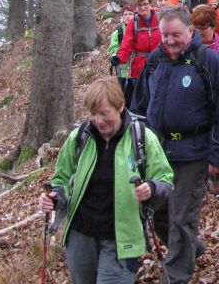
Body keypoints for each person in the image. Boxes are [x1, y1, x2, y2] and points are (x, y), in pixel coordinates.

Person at [130, 7, 219, 284]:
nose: (169, 41)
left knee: (181, 217)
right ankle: (192, 247)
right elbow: (138, 108)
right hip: (157, 154)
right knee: (157, 214)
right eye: (164, 35)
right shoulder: (154, 62)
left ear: (190, 31)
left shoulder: (208, 62)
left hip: (194, 154)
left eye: (175, 34)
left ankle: (175, 277)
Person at [38, 78, 174, 284]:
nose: (98, 120)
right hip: (81, 236)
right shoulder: (79, 138)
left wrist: (152, 189)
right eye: (93, 114)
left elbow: (165, 180)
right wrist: (55, 198)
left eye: (104, 113)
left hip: (122, 239)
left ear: (120, 107)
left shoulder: (142, 138)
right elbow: (61, 178)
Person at [113, 0, 162, 106]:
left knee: (159, 99)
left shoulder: (160, 18)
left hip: (159, 64)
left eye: (145, 4)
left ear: (150, 4)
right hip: (139, 69)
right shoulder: (133, 24)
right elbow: (126, 45)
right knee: (141, 102)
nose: (142, 7)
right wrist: (119, 58)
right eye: (139, 5)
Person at [108, 5, 135, 93]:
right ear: (122, 17)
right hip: (123, 72)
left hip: (137, 70)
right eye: (125, 14)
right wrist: (121, 53)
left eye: (130, 14)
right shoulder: (118, 32)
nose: (128, 16)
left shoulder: (139, 29)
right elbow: (112, 49)